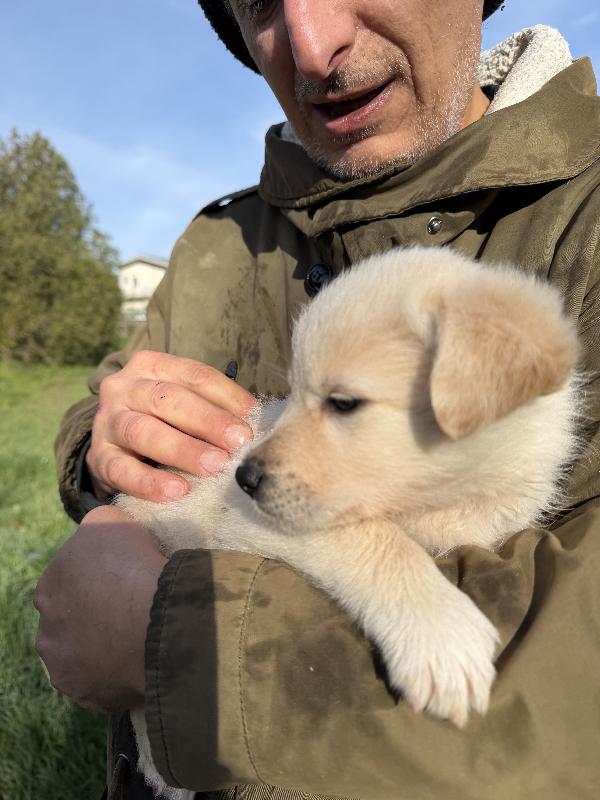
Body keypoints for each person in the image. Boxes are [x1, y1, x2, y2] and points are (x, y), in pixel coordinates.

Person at [35, 1, 600, 797]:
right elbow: (111, 404)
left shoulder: (576, 233)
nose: (312, 42)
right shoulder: (221, 240)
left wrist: (167, 643)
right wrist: (104, 441)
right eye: (262, 1)